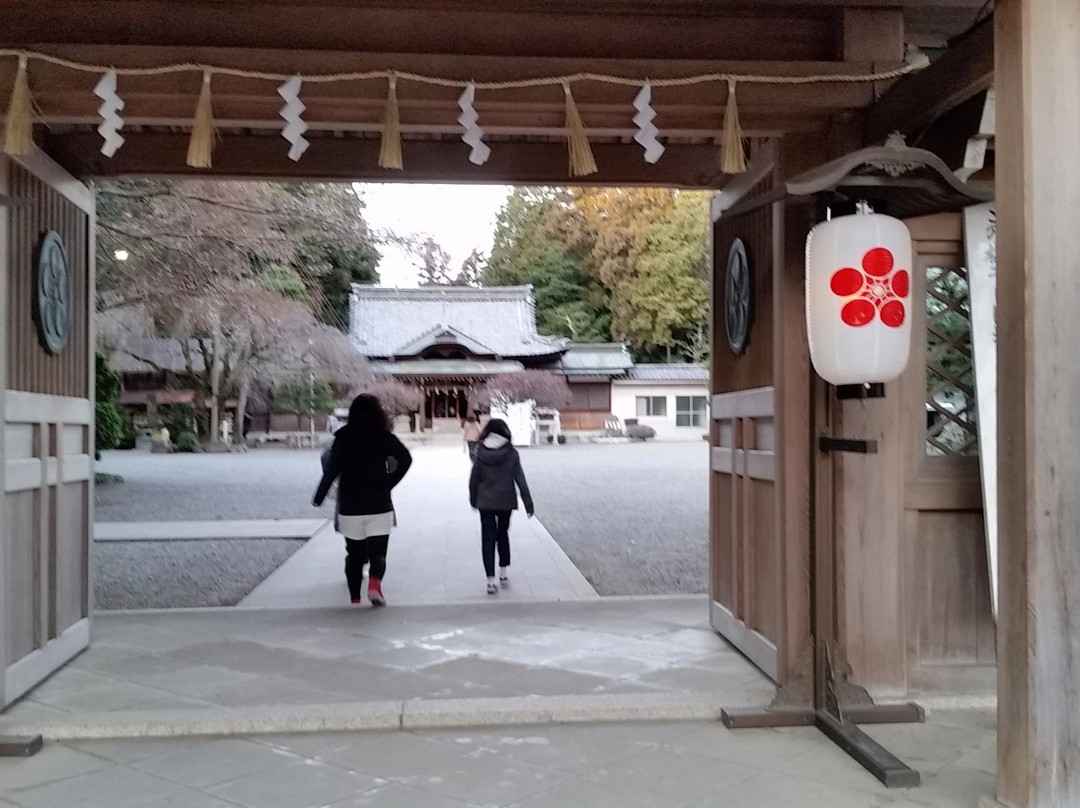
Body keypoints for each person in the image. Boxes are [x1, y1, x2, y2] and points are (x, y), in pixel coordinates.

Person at [313, 394, 412, 606]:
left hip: (350, 504)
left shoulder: (343, 436)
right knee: (378, 553)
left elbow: (332, 470)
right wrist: (389, 482)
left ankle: (355, 599)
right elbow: (406, 458)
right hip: (379, 503)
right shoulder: (383, 436)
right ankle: (375, 586)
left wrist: (319, 497)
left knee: (354, 554)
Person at [468, 418, 534, 595]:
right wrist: (528, 503)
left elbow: (474, 479)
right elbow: (520, 478)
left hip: (486, 502)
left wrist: (473, 499)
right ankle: (503, 571)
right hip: (505, 501)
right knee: (502, 534)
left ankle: (490, 580)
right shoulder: (511, 453)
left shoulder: (480, 452)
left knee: (487, 538)